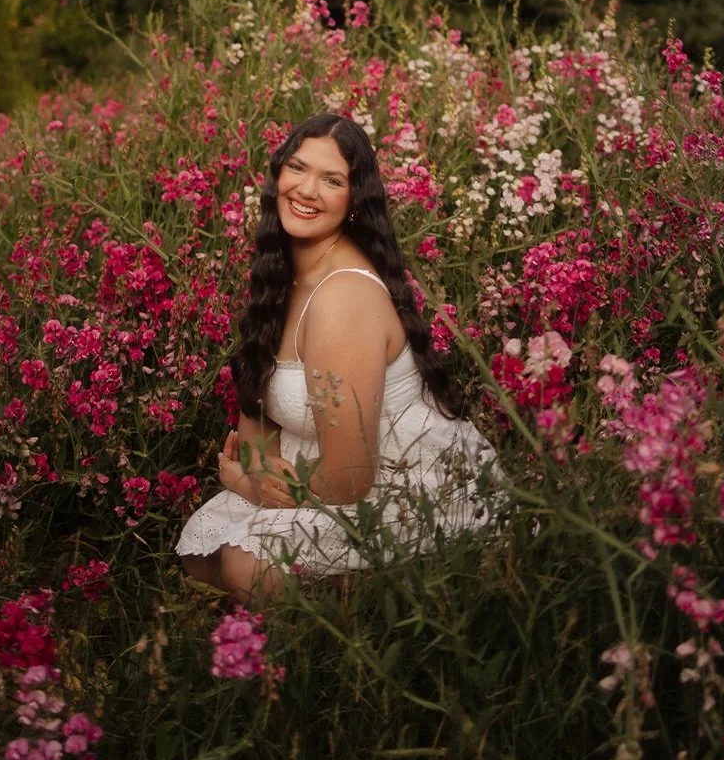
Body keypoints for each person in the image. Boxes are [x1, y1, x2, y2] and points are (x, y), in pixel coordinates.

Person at [177, 113, 501, 601]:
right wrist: (258, 469)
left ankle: (389, 603)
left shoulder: (342, 296)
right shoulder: (280, 276)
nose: (307, 190)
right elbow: (255, 424)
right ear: (278, 175)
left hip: (402, 485)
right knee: (199, 553)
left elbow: (350, 478)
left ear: (353, 202)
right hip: (318, 469)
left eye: (331, 180)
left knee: (246, 568)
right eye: (297, 168)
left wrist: (251, 486)